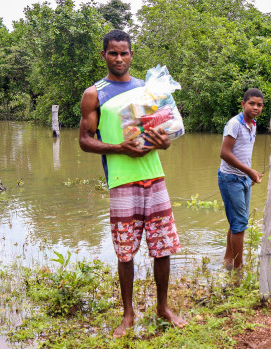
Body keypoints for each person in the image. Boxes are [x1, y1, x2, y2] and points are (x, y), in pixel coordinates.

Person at [78, 29, 186, 337]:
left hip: (154, 177)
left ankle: (163, 308)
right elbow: (85, 141)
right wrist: (117, 148)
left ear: (131, 55)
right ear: (104, 56)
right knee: (125, 252)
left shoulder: (147, 90)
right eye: (113, 53)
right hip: (122, 182)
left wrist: (163, 142)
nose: (119, 58)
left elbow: (163, 134)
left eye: (124, 52)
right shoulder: (94, 93)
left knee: (162, 247)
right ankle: (128, 315)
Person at [218, 88, 264, 272]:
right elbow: (224, 153)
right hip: (230, 179)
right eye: (252, 103)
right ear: (243, 104)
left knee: (237, 222)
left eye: (259, 105)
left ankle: (228, 260)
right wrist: (248, 171)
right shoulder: (234, 124)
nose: (256, 107)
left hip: (243, 178)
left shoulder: (252, 123)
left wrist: (248, 174)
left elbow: (243, 153)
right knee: (239, 224)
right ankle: (239, 269)